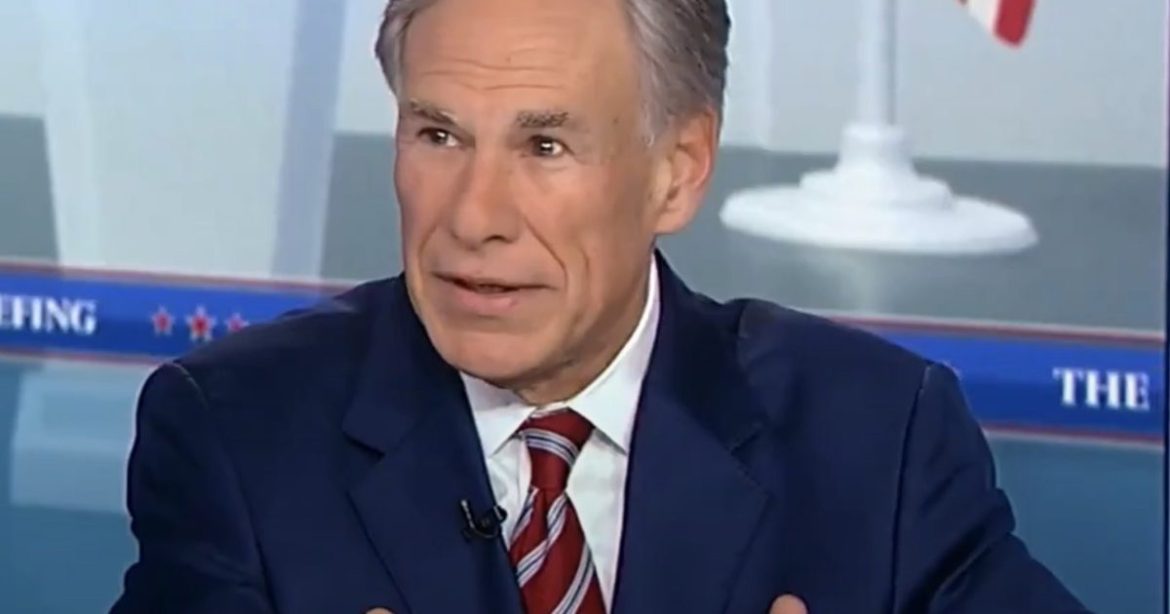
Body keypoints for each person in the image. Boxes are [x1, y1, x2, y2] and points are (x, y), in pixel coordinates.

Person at [111, 0, 1092, 612]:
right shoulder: (238, 435)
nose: (474, 217)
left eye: (545, 147)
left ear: (678, 171)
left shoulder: (878, 440)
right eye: (439, 134)